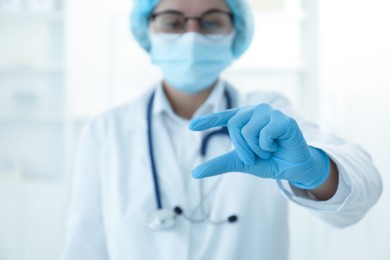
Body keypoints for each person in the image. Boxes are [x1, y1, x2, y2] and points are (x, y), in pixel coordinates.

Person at [61, 0, 382, 259]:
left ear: (236, 33)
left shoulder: (269, 116)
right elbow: (85, 246)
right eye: (173, 22)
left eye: (211, 22)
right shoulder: (106, 130)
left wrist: (315, 170)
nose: (192, 35)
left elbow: (358, 197)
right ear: (146, 31)